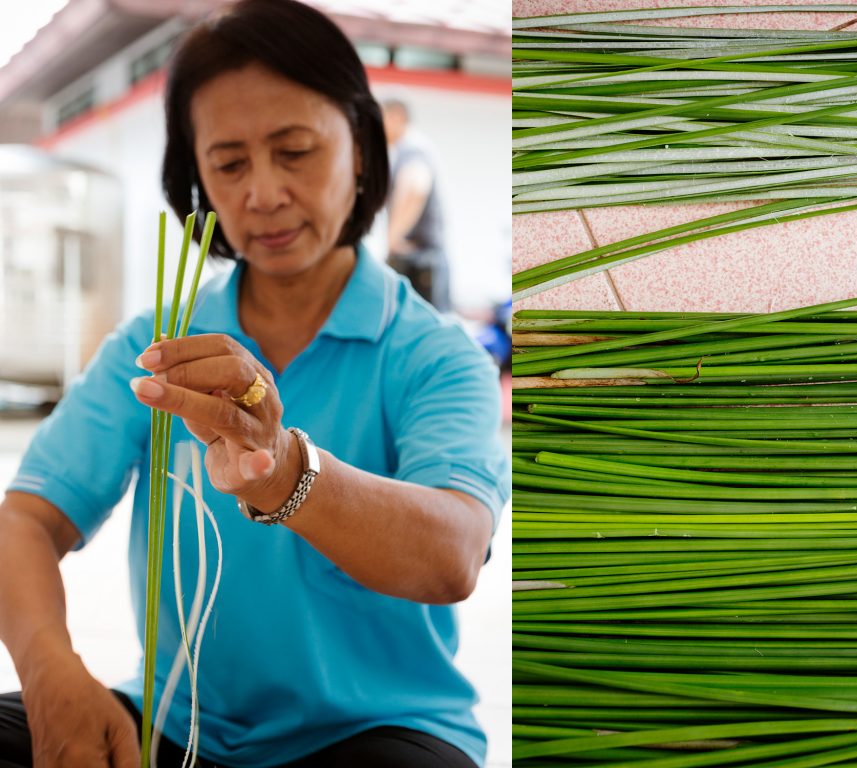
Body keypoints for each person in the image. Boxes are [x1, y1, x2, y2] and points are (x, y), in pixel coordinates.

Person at [0, 1, 508, 766]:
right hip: (173, 721)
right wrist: (48, 671)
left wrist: (286, 472)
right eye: (229, 163)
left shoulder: (434, 355)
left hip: (376, 733)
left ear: (362, 150)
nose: (262, 193)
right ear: (197, 177)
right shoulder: (155, 346)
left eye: (295, 150)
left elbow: (453, 555)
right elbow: (25, 521)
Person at [381, 99, 451, 313]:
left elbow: (416, 188)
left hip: (421, 263)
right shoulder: (410, 148)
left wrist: (392, 239)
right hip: (423, 262)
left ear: (397, 117)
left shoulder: (412, 149)